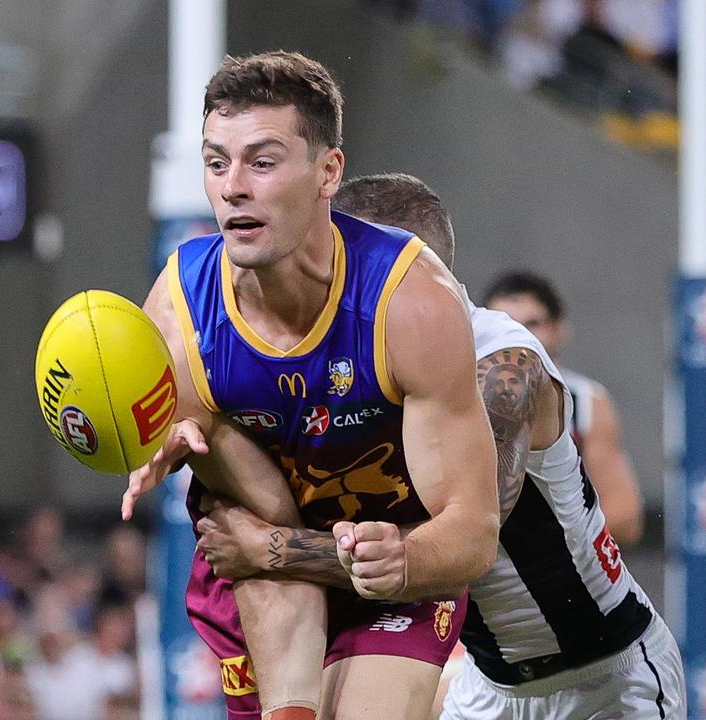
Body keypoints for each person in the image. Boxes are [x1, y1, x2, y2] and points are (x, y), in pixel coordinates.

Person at [184, 172, 685, 719]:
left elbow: (465, 546)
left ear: (412, 267)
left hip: (604, 676)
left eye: (347, 261)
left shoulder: (500, 364)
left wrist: (274, 550)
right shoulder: (368, 369)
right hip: (487, 686)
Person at [120, 52, 499, 719]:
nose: (233, 186)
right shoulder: (180, 305)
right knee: (221, 451)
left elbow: (472, 533)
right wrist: (172, 428)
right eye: (216, 163)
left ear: (329, 172)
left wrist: (405, 559)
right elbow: (182, 460)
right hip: (259, 566)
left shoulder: (409, 304)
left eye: (262, 162)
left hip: (390, 570)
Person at [480, 271, 645, 544]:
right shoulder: (460, 398)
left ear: (559, 329)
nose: (518, 334)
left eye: (532, 323)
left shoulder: (587, 402)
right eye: (504, 323)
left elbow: (625, 517)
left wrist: (538, 546)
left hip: (558, 567)